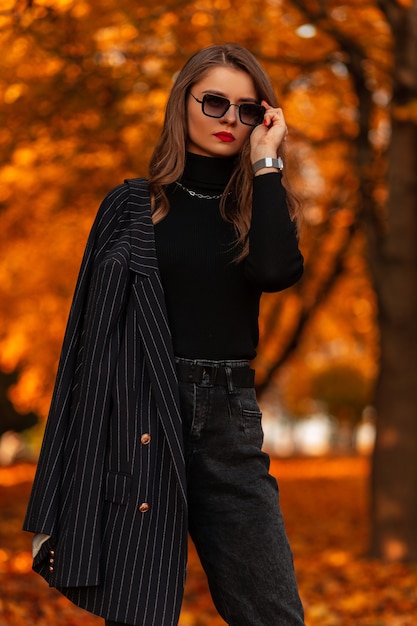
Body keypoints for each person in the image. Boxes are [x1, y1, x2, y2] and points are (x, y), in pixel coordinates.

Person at [23, 43, 305, 626]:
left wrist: (267, 162)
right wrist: (54, 502)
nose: (231, 118)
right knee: (138, 613)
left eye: (248, 109)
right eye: (215, 102)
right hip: (138, 420)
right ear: (183, 105)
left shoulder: (256, 204)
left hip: (229, 423)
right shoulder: (132, 206)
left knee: (274, 613)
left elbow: (277, 272)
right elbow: (83, 351)